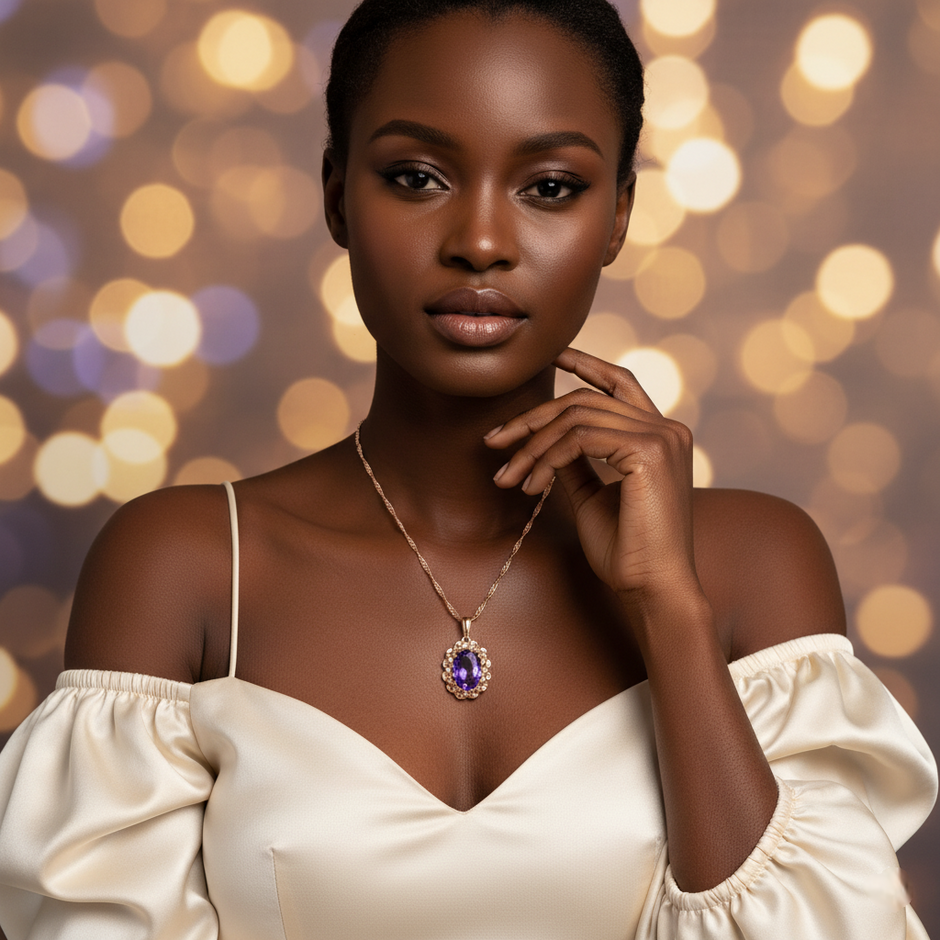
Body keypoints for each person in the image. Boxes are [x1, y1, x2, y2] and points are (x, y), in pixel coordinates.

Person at [0, 0, 935, 936]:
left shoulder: (753, 561)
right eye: (417, 177)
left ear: (618, 215)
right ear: (335, 194)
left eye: (551, 187)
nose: (481, 241)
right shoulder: (190, 563)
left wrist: (668, 608)